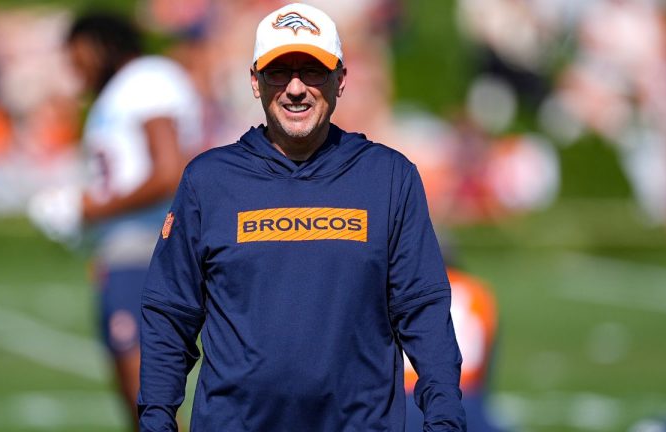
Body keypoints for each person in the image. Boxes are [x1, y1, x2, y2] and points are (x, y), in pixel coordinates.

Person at [138, 3, 465, 431]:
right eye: (279, 71)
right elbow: (170, 314)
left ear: (340, 80)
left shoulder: (389, 178)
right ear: (255, 82)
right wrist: (156, 419)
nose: (295, 88)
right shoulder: (208, 181)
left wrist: (445, 419)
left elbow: (422, 310)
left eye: (312, 70)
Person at [29, 12, 203, 429]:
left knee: (147, 396)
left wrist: (85, 210)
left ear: (96, 44)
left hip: (149, 247)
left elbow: (168, 172)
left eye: (77, 56)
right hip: (124, 250)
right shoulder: (121, 92)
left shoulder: (145, 79)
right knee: (136, 400)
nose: (76, 69)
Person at [405, 267, 503, 431]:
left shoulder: (398, 289)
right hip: (463, 395)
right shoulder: (476, 290)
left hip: (407, 394)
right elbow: (488, 354)